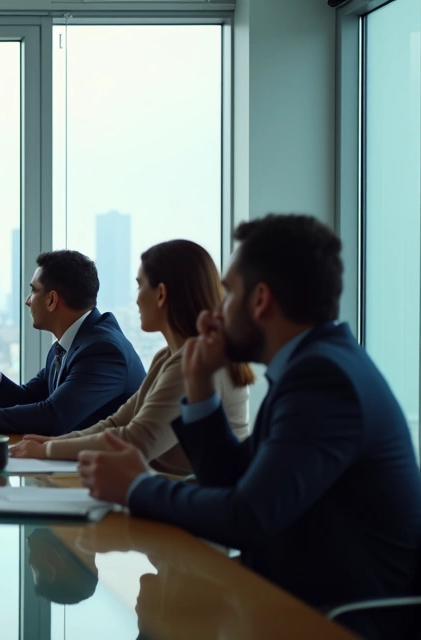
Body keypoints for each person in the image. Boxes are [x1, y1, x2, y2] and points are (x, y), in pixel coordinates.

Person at [78, 215, 421, 640]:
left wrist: (136, 487)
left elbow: (246, 516)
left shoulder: (324, 380)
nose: (216, 311)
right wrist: (200, 388)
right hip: (287, 597)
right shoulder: (312, 366)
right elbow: (234, 481)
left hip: (335, 621)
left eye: (228, 294)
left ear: (260, 301)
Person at [10, 240, 254, 474]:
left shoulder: (191, 363)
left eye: (139, 286)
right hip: (178, 492)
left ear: (161, 294)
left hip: (196, 500)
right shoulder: (166, 357)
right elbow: (116, 423)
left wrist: (49, 450)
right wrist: (54, 444)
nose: (135, 299)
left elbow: (137, 440)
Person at [0, 250, 144, 435]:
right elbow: (28, 402)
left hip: (112, 476)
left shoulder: (103, 350)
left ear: (52, 300)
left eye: (33, 290)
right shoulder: (67, 345)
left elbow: (54, 417)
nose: (27, 300)